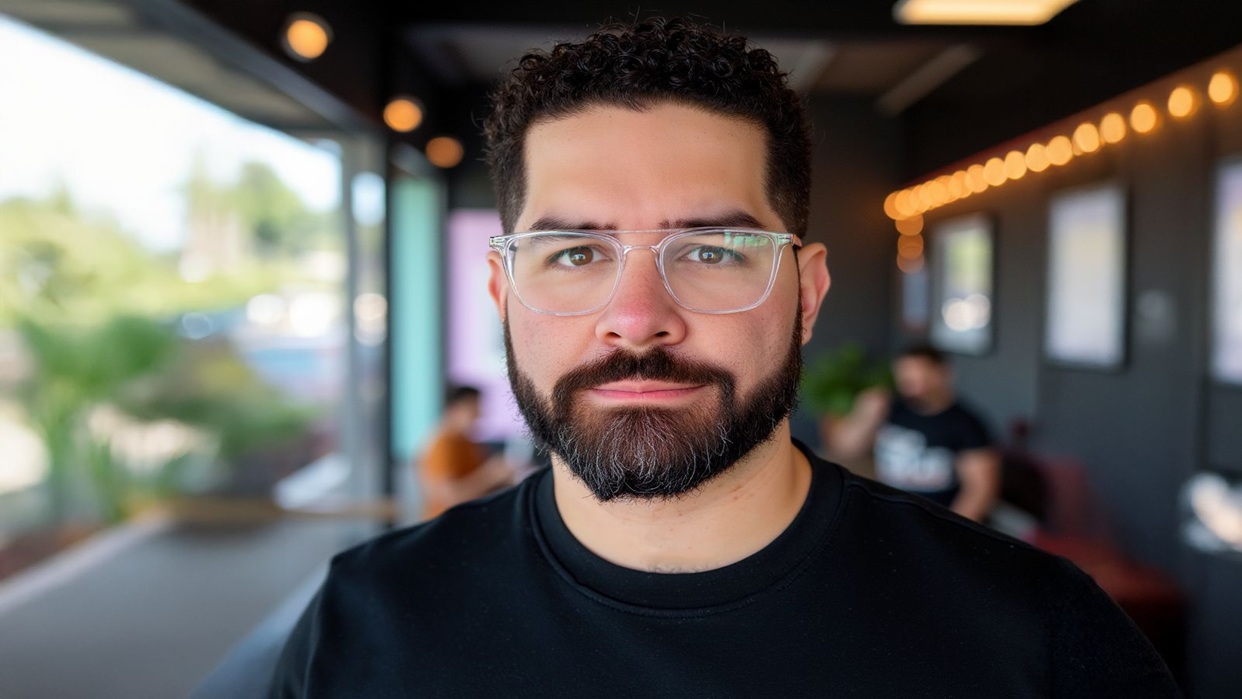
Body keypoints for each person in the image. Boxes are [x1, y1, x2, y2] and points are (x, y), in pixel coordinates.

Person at [270, 18, 1179, 697]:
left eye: (710, 250)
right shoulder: (368, 620)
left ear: (807, 295)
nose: (636, 321)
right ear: (505, 297)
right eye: (575, 253)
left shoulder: (1037, 635)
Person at [825, 344, 1002, 522]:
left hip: (936, 519)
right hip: (887, 511)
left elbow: (980, 489)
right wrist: (865, 416)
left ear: (944, 373)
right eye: (906, 378)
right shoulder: (890, 408)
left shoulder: (967, 424)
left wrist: (949, 530)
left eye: (921, 377)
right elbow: (844, 450)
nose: (913, 387)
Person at [415, 384, 514, 520]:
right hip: (448, 525)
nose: (479, 413)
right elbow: (450, 497)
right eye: (474, 406)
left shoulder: (469, 443)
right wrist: (491, 475)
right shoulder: (443, 444)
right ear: (456, 408)